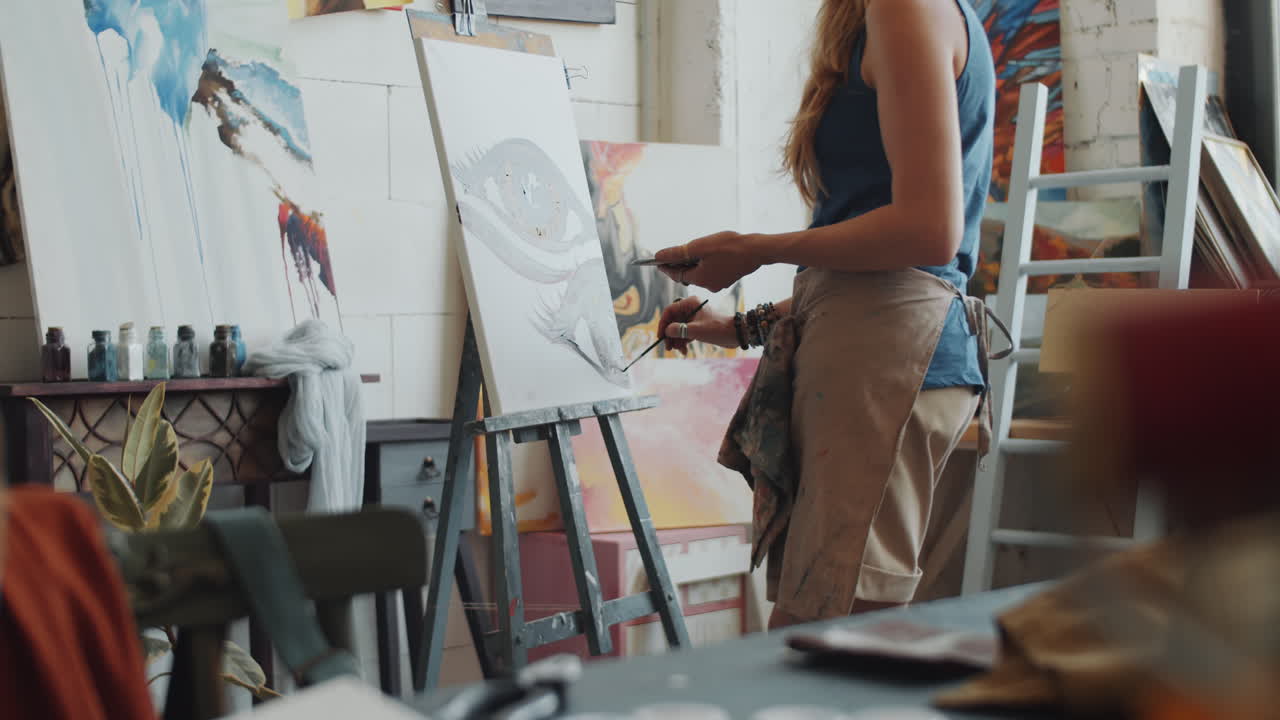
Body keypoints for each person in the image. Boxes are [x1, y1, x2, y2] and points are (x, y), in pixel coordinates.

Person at [653, 0, 1000, 629]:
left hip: (889, 358)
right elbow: (863, 276)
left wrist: (756, 250)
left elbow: (928, 234)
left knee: (819, 638)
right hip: (876, 349)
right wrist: (738, 326)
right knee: (821, 630)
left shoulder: (908, 10)